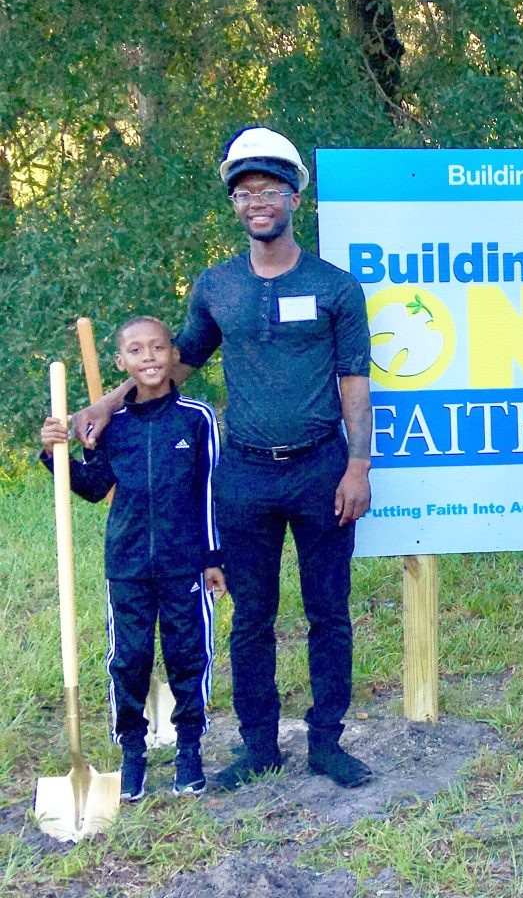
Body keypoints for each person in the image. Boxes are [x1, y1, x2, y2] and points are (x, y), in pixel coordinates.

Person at [76, 126, 375, 790]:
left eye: (268, 188)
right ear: (234, 204)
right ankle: (260, 745)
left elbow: (354, 382)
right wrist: (109, 402)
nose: (255, 201)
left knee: (329, 610)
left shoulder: (336, 287)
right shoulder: (217, 286)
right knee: (253, 615)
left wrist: (359, 466)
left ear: (295, 195)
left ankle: (326, 742)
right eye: (243, 191)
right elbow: (176, 362)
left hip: (322, 468)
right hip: (242, 475)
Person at [40, 317, 224, 799]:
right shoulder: (111, 426)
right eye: (137, 351)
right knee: (130, 658)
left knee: (188, 654)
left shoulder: (196, 418)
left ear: (173, 356)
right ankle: (133, 753)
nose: (149, 358)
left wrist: (212, 557)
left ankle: (189, 748)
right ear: (121, 362)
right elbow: (94, 486)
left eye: (158, 348)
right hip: (126, 564)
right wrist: (53, 454)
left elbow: (209, 493)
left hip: (184, 562)